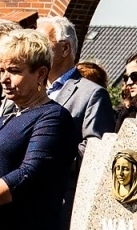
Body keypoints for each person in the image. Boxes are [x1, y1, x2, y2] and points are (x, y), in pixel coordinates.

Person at [0, 30, 81, 230]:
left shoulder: (53, 118)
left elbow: (27, 176)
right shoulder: (8, 116)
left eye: (15, 71)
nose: (4, 79)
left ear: (41, 73)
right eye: (2, 70)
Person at [37, 16, 113, 145]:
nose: (34, 51)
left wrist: (48, 160)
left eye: (42, 44)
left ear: (65, 48)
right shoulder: (31, 88)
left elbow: (94, 149)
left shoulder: (92, 95)